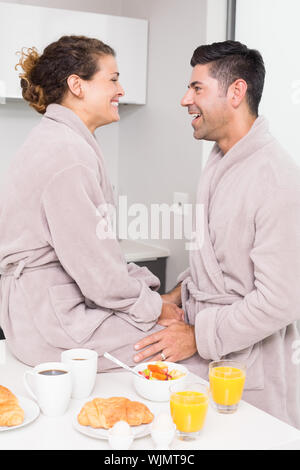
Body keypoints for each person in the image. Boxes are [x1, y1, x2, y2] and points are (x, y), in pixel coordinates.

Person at [133, 40, 300, 428]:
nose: (184, 100)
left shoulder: (277, 179)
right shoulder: (222, 161)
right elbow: (219, 263)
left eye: (196, 88)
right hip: (205, 357)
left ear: (236, 92)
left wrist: (197, 336)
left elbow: (281, 301)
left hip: (247, 369)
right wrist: (172, 297)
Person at [0, 35, 187, 372]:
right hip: (51, 326)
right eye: (112, 79)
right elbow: (98, 274)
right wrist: (154, 307)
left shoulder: (60, 140)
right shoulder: (67, 154)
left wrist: (150, 295)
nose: (121, 90)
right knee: (177, 342)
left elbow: (97, 258)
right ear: (77, 85)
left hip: (38, 313)